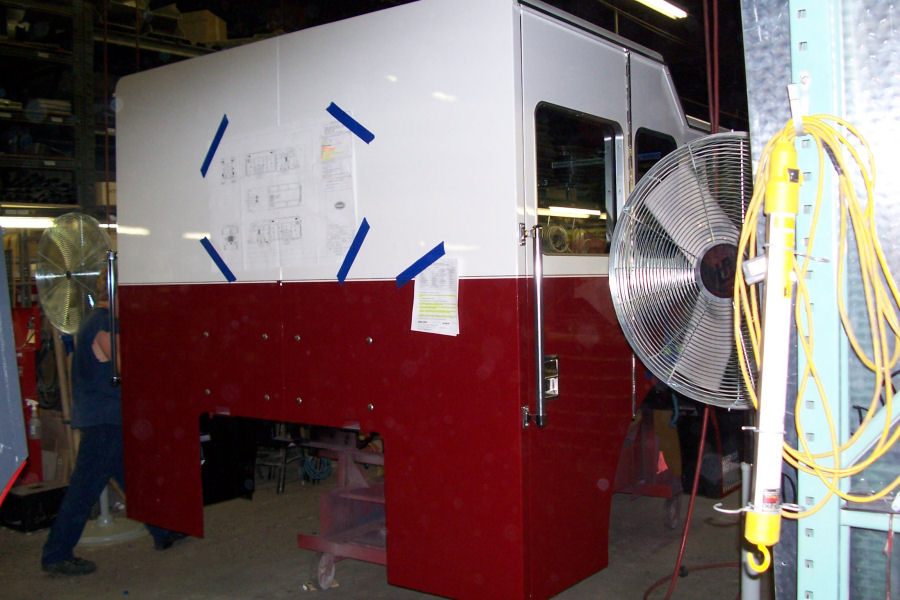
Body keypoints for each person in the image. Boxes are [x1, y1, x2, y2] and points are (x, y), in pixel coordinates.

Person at [41, 269, 186, 576]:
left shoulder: (97, 321)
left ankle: (162, 532)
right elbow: (126, 367)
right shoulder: (105, 325)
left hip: (106, 417)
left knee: (135, 480)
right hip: (105, 421)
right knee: (84, 490)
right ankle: (56, 554)